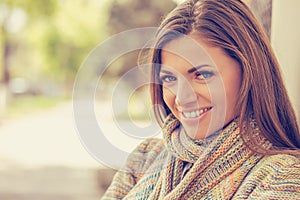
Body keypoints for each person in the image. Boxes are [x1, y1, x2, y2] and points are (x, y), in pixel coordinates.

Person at [101, 0, 300, 199]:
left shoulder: (282, 176)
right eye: (169, 78)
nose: (182, 97)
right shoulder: (144, 159)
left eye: (202, 75)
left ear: (249, 71)